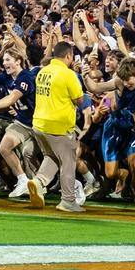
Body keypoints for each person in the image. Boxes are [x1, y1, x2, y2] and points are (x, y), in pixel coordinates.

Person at [28, 40, 87, 212]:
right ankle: (68, 200)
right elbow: (80, 100)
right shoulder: (68, 74)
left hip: (39, 124)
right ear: (69, 56)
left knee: (52, 157)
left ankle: (38, 182)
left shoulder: (42, 71)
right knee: (68, 162)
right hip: (59, 126)